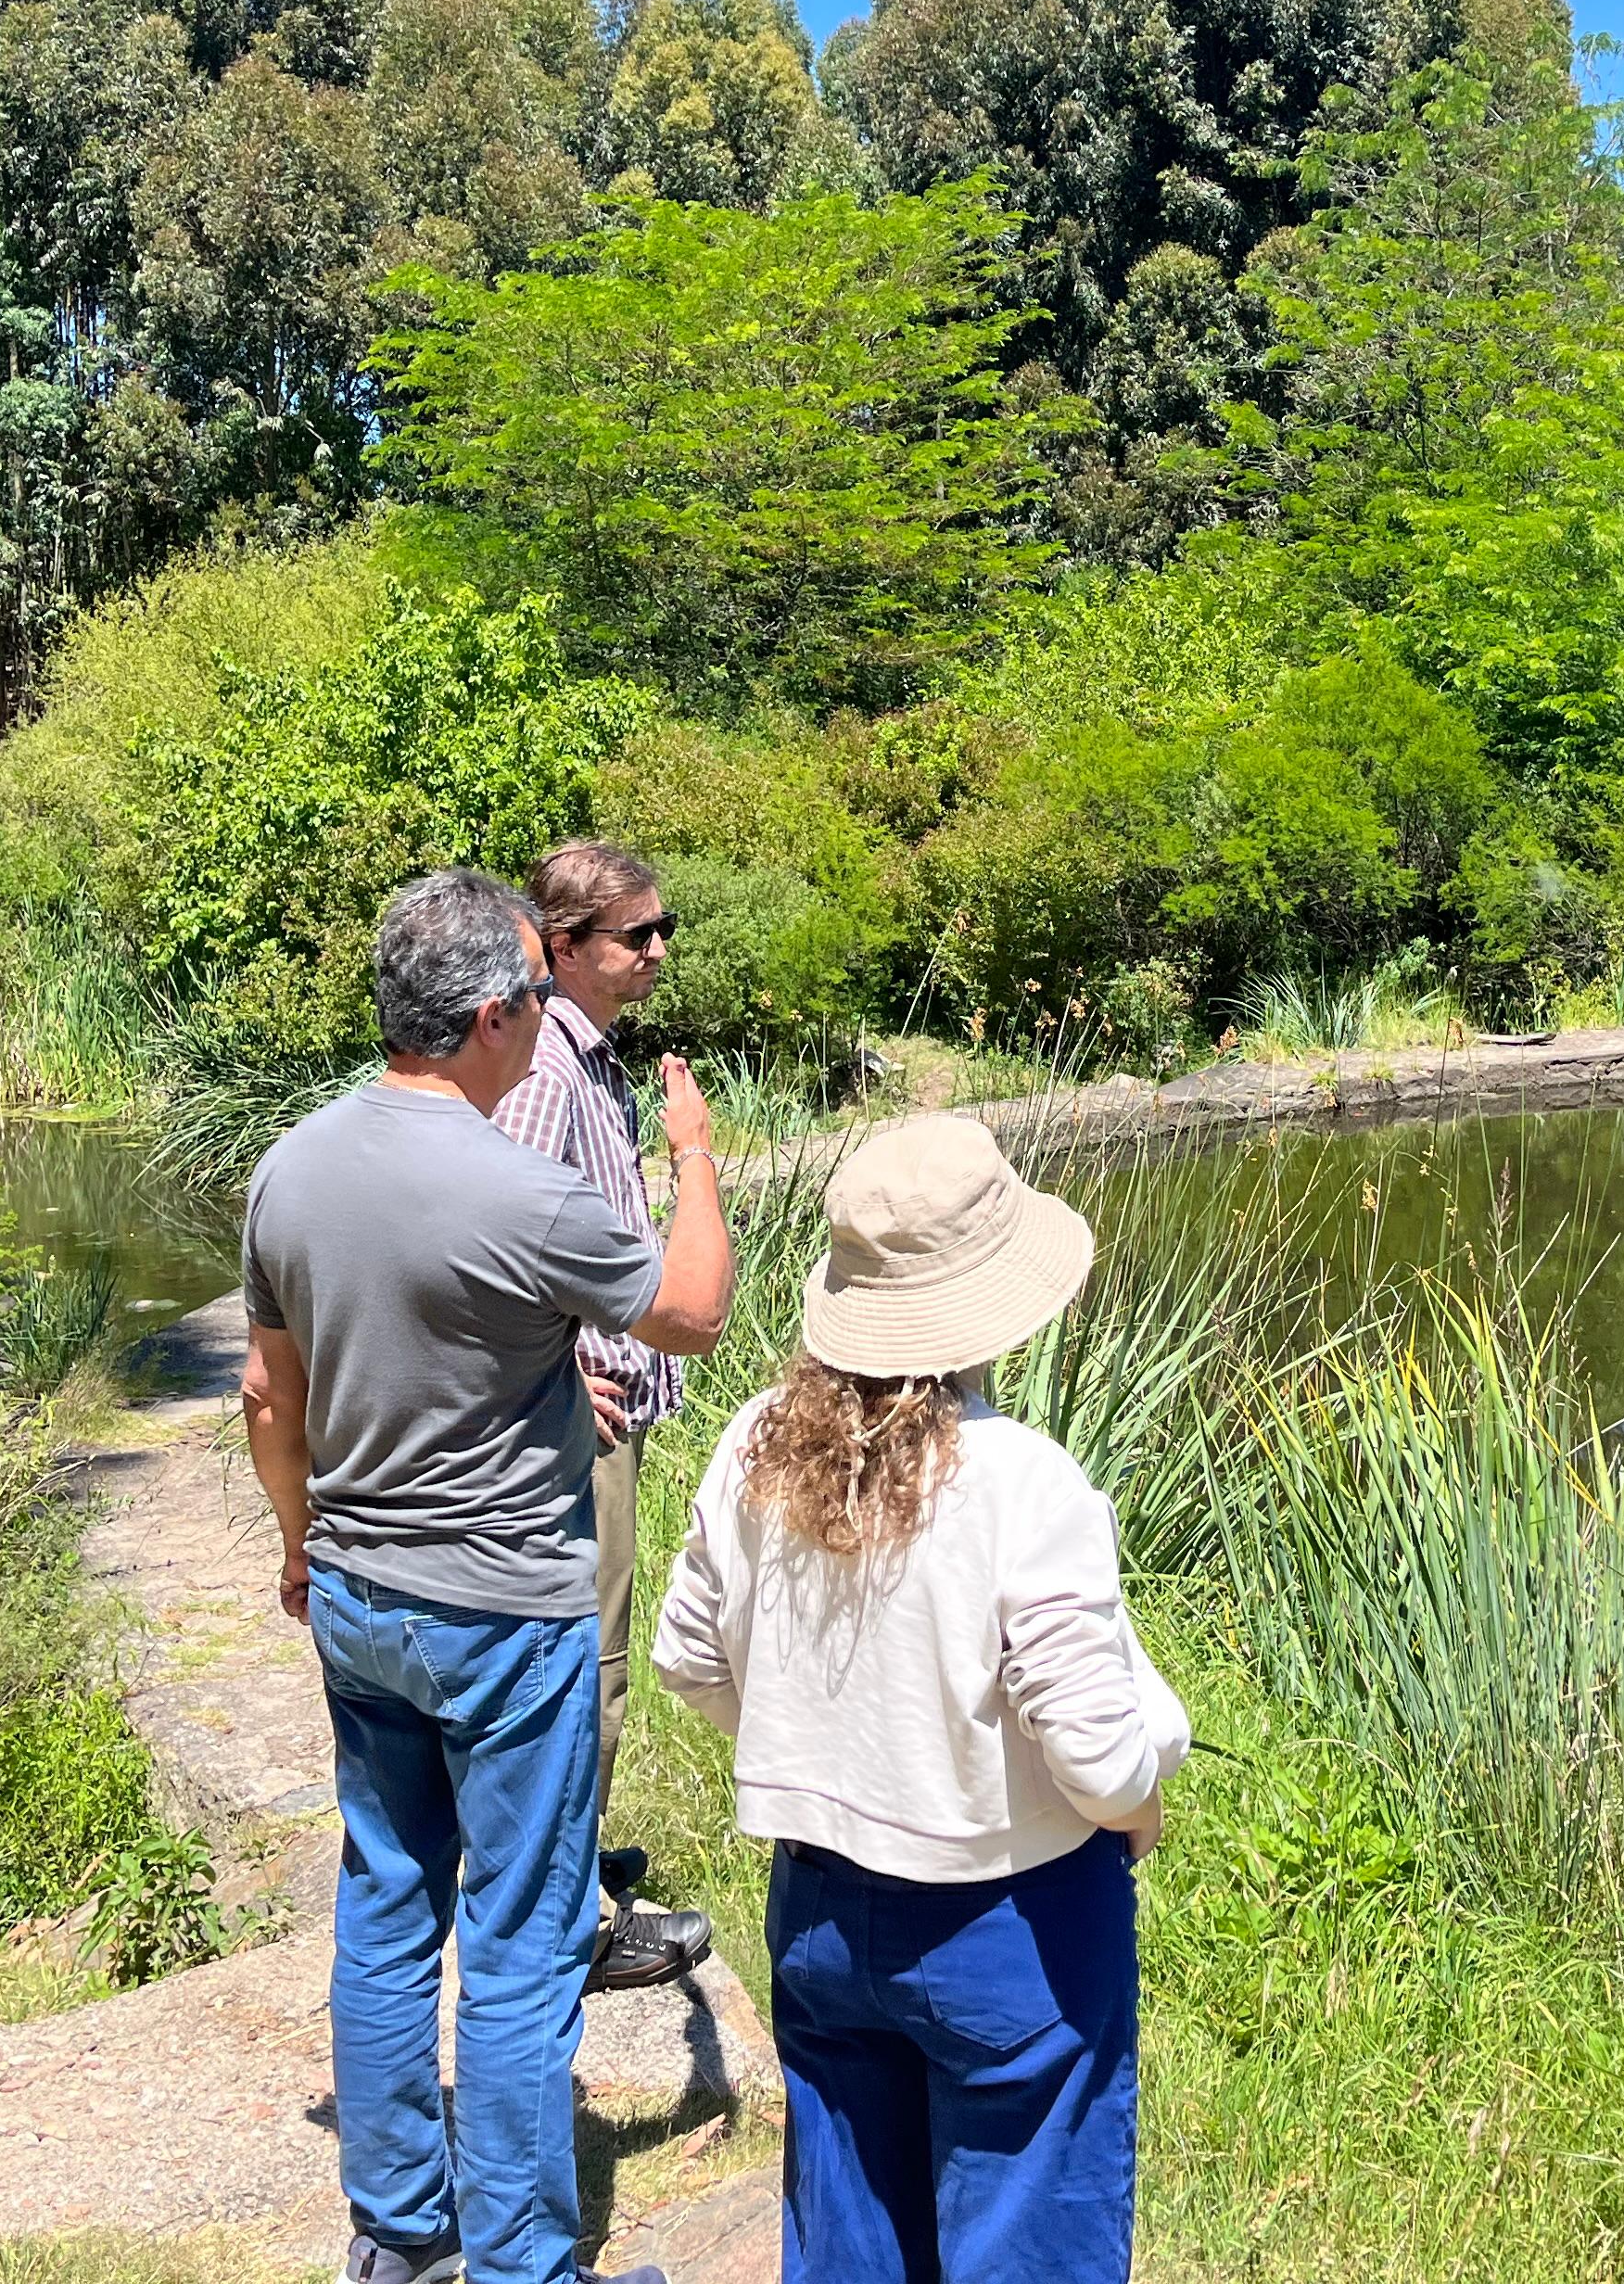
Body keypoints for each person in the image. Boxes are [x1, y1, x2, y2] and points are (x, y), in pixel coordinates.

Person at [239, 868, 737, 2284]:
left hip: (355, 1590)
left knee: (388, 1906)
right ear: (485, 1016)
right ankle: (526, 2263)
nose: (536, 1017)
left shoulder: (292, 1165)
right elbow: (690, 1310)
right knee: (517, 1944)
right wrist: (694, 1155)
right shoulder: (517, 1189)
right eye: (526, 993)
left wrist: (297, 1541)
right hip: (507, 1612)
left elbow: (270, 1400)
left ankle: (399, 2237)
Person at [653, 1114, 1181, 2284]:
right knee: (1024, 2236)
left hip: (823, 1906)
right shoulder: (1021, 1481)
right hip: (1013, 1922)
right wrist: (1136, 1806)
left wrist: (816, 1747)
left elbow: (688, 1655)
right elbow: (1096, 1754)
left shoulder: (753, 1447)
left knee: (849, 2231)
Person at [489, 839, 713, 1992]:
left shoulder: (585, 1056)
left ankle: (566, 1864)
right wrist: (556, 1363)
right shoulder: (542, 1074)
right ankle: (570, 1928)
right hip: (583, 1423)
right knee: (591, 1665)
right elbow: (495, 1234)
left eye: (663, 928)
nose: (659, 951)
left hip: (602, 1409)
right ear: (564, 947)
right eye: (638, 936)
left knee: (591, 1655)